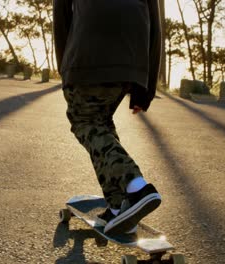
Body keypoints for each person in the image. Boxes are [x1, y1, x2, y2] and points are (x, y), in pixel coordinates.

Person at [53, 0, 162, 236]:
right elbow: (155, 22)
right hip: (132, 55)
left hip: (88, 52)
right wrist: (146, 88)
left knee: (84, 121)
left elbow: (61, 15)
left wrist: (66, 66)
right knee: (100, 125)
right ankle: (118, 206)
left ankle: (136, 188)